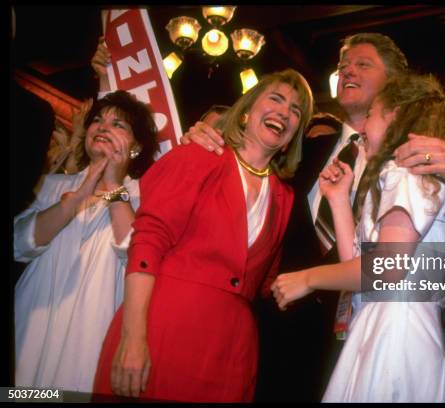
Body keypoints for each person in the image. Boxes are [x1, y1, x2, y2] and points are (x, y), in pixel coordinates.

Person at [181, 32, 445, 401]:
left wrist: (308, 279)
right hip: (298, 330)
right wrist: (209, 139)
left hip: (384, 329)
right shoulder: (309, 145)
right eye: (343, 66)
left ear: (395, 98)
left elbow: (388, 266)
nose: (347, 71)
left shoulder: (414, 165)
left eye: (362, 64)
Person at [93, 69, 314, 402]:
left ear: (295, 132)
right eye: (276, 99)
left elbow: (267, 283)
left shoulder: (285, 198)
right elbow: (146, 242)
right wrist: (133, 337)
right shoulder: (198, 155)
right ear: (246, 111)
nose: (284, 112)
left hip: (231, 352)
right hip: (163, 330)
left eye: (296, 111)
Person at [271, 72, 445, 402]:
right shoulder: (407, 175)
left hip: (395, 332)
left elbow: (387, 267)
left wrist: (308, 278)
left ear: (396, 115)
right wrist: (340, 200)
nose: (362, 127)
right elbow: (360, 271)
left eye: (370, 114)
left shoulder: (405, 170)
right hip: (386, 325)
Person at [13, 90, 159, 393]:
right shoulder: (50, 185)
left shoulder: (145, 198)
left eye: (119, 124)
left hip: (90, 335)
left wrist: (114, 185)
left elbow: (136, 254)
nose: (104, 126)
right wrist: (74, 200)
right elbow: (19, 244)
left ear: (136, 147)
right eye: (98, 120)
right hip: (32, 325)